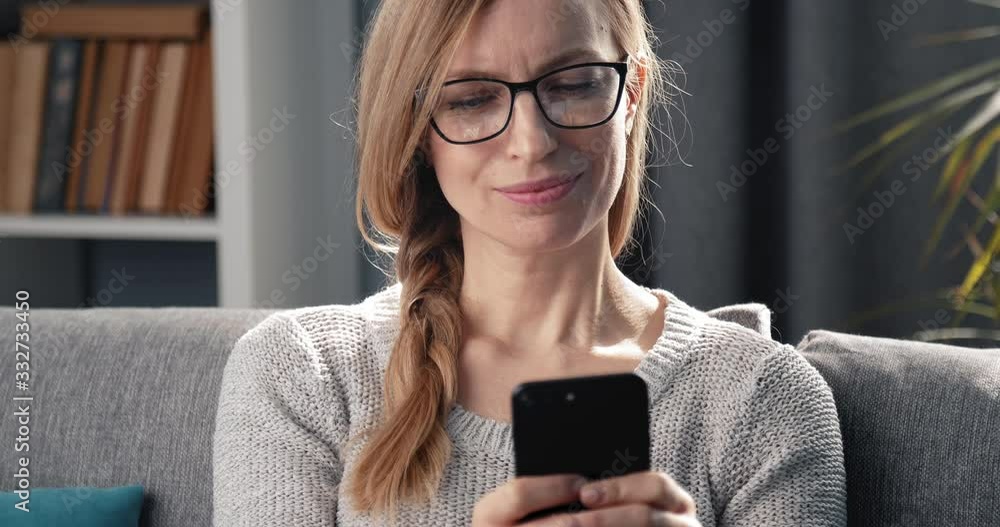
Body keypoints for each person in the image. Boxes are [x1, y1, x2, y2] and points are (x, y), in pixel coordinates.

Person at [212, 0, 847, 525]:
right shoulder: (303, 375)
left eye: (572, 85)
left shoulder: (765, 398)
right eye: (470, 100)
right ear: (417, 132)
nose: (532, 143)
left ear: (631, 94)